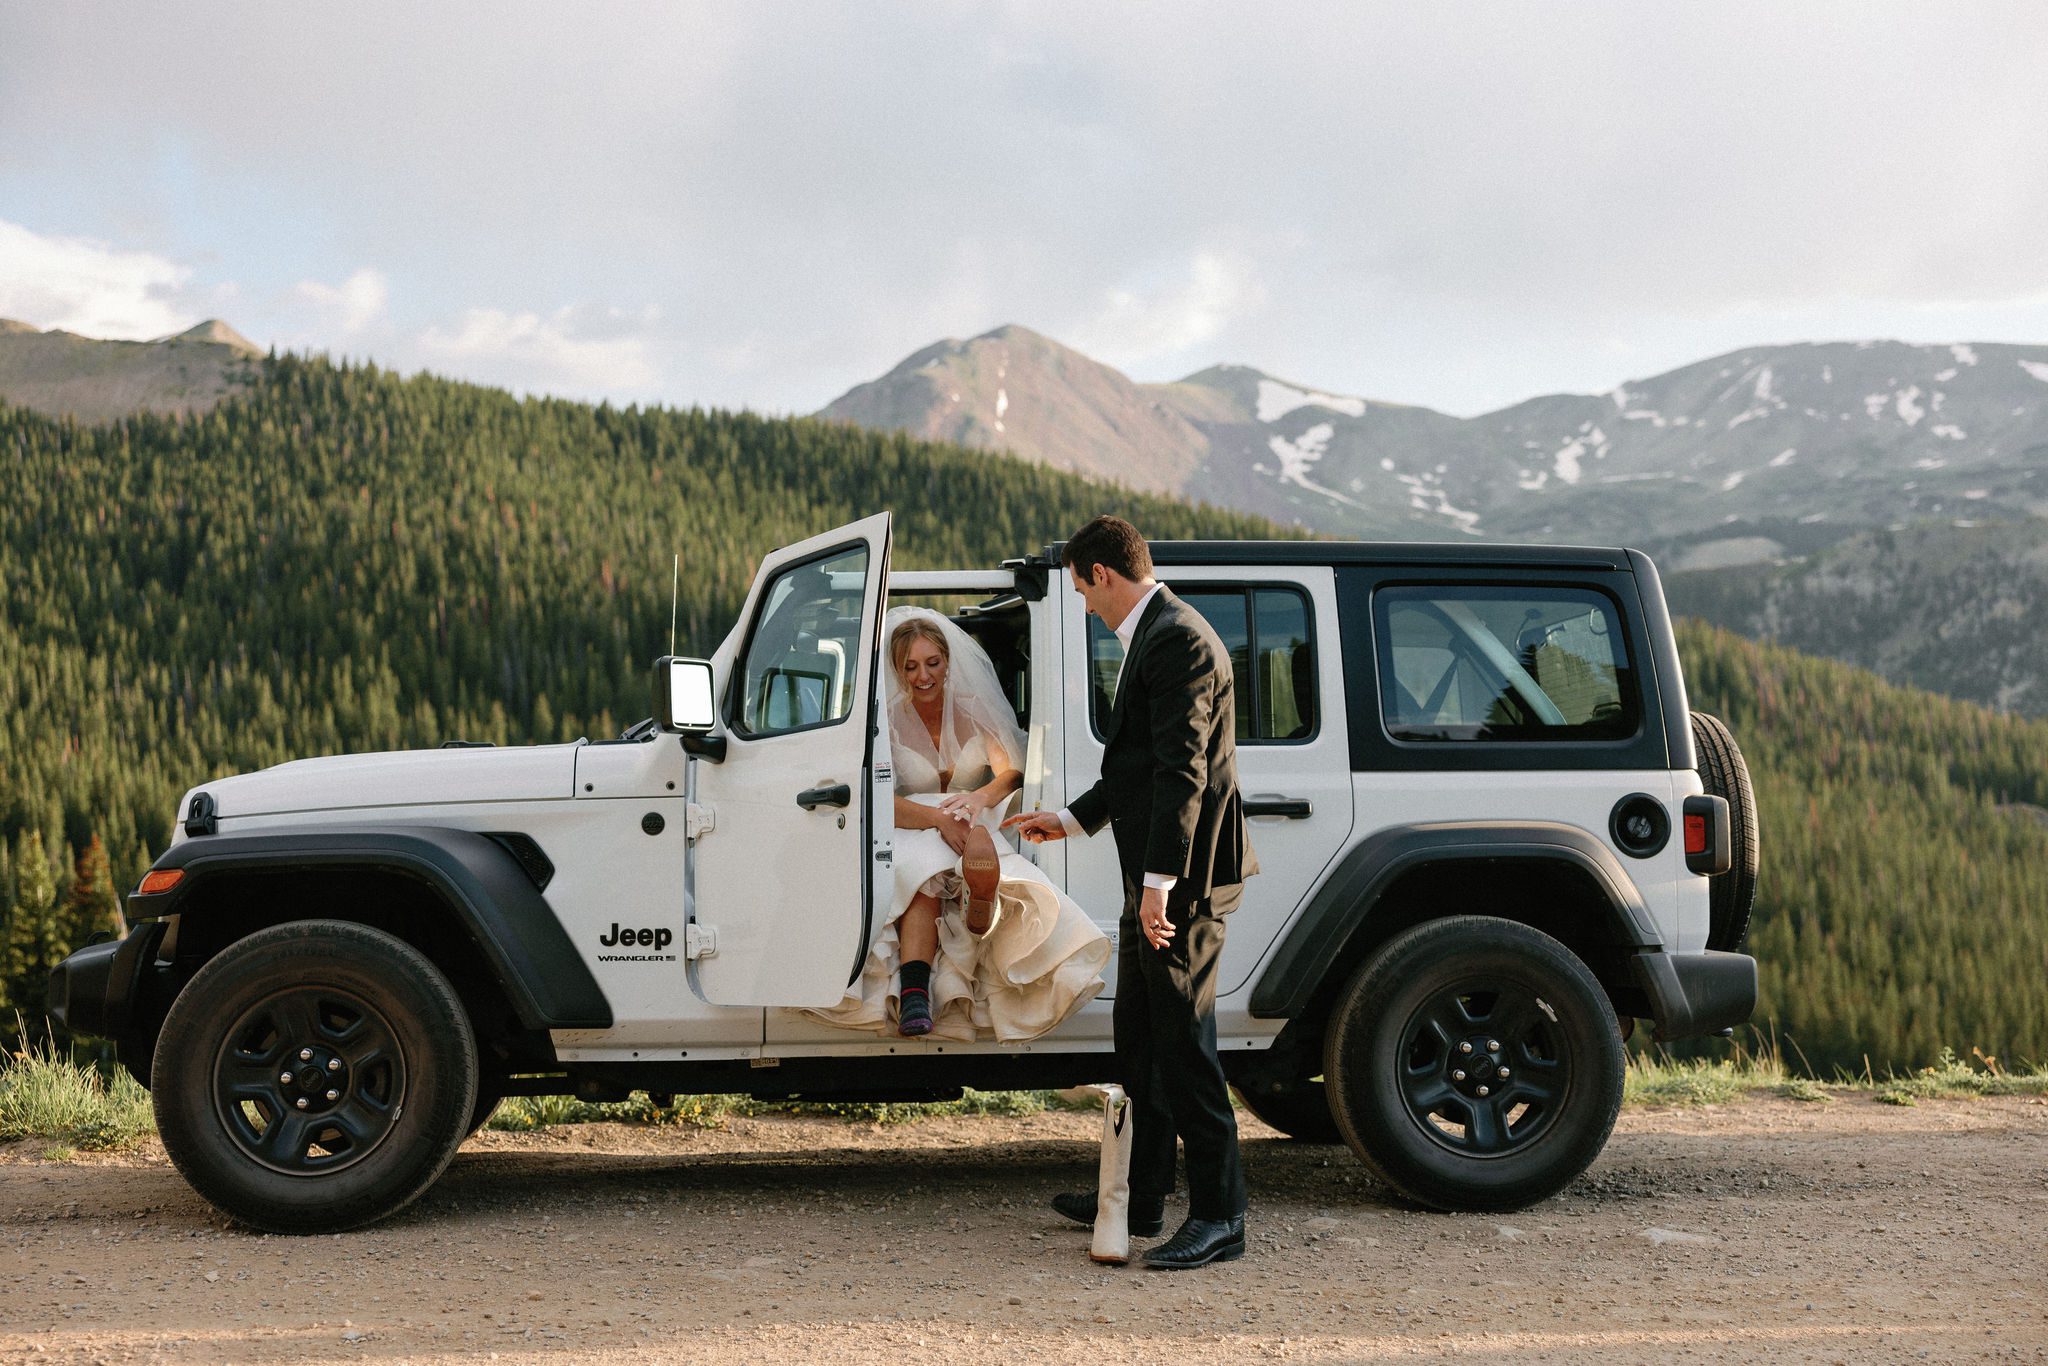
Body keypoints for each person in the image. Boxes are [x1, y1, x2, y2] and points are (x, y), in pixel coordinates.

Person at [1003, 515, 1258, 1271]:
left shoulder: (1178, 640)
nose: (1084, 604)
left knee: (1185, 1046)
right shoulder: (1159, 632)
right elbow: (1139, 763)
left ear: (1102, 576)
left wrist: (1159, 889)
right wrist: (1072, 818)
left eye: (1081, 589)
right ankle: (1139, 1199)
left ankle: (1221, 1216)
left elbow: (1182, 770)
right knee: (1142, 1044)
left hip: (1181, 885)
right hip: (1154, 878)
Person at [803, 607, 1111, 1042]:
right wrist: (935, 819)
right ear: (896, 668)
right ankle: (938, 962)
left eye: (932, 663)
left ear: (948, 661)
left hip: (970, 822)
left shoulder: (973, 710)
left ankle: (926, 976)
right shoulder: (884, 723)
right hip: (911, 824)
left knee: (951, 866)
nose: (922, 675)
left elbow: (1009, 773)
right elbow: (875, 799)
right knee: (926, 873)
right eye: (910, 666)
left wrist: (980, 796)